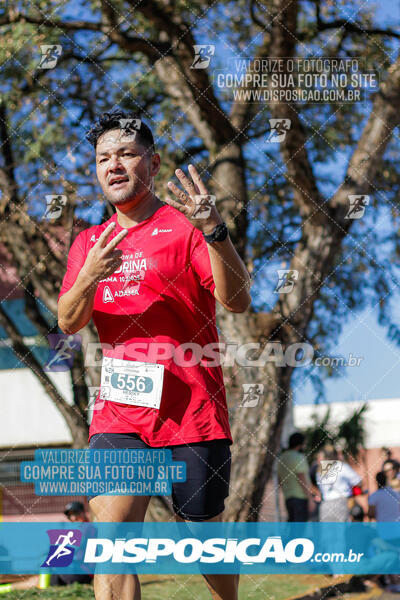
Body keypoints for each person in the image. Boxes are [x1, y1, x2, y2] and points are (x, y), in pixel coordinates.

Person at [57, 109, 251, 600]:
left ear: (154, 162)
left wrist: (214, 232)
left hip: (192, 409)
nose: (113, 165)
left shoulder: (184, 228)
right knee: (113, 540)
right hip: (121, 412)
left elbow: (237, 300)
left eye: (126, 153)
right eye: (103, 157)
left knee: (200, 536)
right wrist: (89, 274)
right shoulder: (88, 242)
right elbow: (68, 320)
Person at [277, 432, 318, 521]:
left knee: (293, 527)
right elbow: (301, 478)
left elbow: (279, 479)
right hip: (300, 498)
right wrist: (310, 499)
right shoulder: (299, 457)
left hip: (288, 497)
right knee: (299, 529)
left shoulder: (282, 458)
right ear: (300, 444)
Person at [316, 447, 362, 522]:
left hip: (325, 505)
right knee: (341, 532)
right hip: (341, 504)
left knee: (327, 533)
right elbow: (359, 482)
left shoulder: (319, 471)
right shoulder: (342, 466)